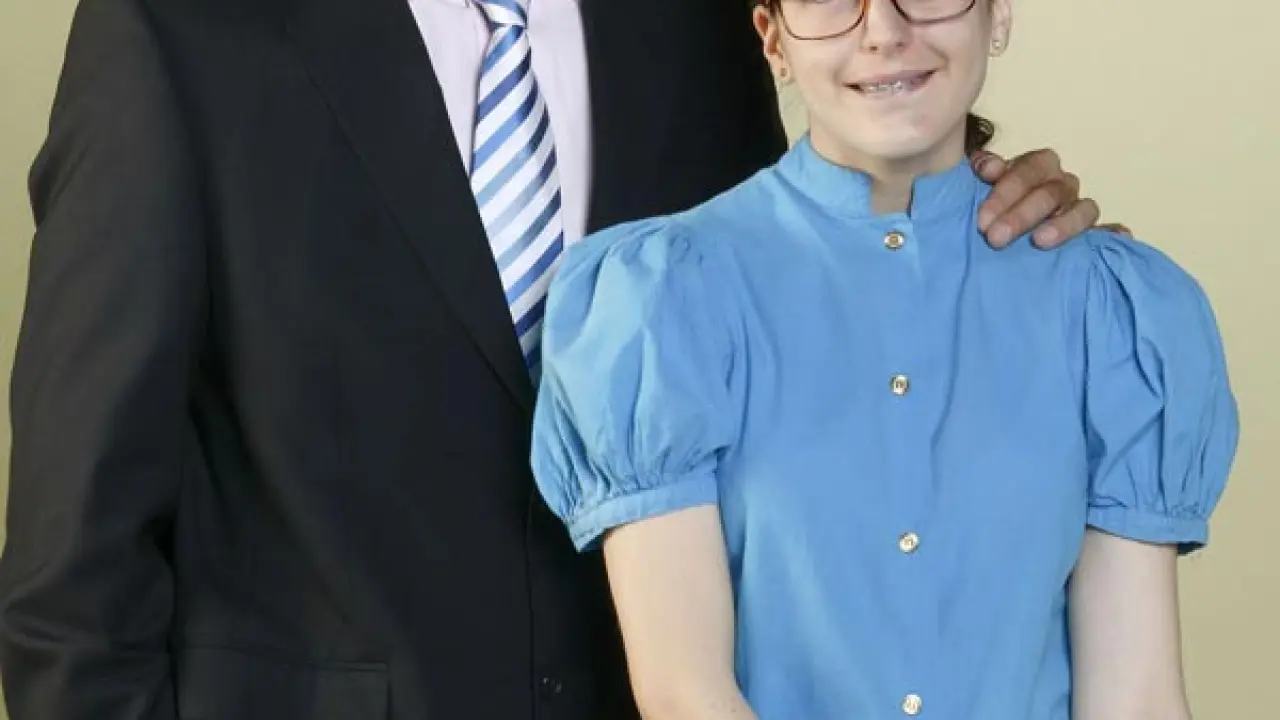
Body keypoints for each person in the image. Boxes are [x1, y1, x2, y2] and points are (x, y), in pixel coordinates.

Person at [0, 0, 1107, 717]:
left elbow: (803, 288)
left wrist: (990, 216)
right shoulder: (178, 34)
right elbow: (74, 566)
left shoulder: (695, 25)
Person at [529, 0, 1240, 718]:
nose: (884, 32)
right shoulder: (662, 300)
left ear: (997, 15)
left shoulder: (1111, 308)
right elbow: (685, 694)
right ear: (773, 40)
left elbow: (1136, 697)